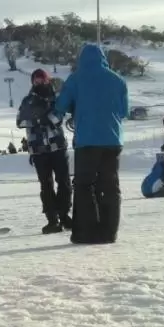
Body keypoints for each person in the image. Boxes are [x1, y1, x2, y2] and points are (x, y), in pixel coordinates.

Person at [55, 43, 128, 245]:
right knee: (111, 186)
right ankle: (109, 232)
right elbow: (123, 112)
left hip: (87, 141)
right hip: (113, 140)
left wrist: (72, 111)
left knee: (85, 185)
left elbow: (61, 105)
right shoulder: (118, 80)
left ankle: (87, 232)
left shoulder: (76, 78)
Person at [17, 68, 72, 234]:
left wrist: (46, 118)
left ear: (48, 80)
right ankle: (51, 219)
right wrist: (36, 119)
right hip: (39, 150)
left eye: (42, 79)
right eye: (36, 80)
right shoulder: (28, 101)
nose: (39, 83)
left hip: (58, 147)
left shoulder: (56, 99)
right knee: (46, 185)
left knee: (64, 182)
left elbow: (59, 117)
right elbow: (20, 121)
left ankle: (64, 215)